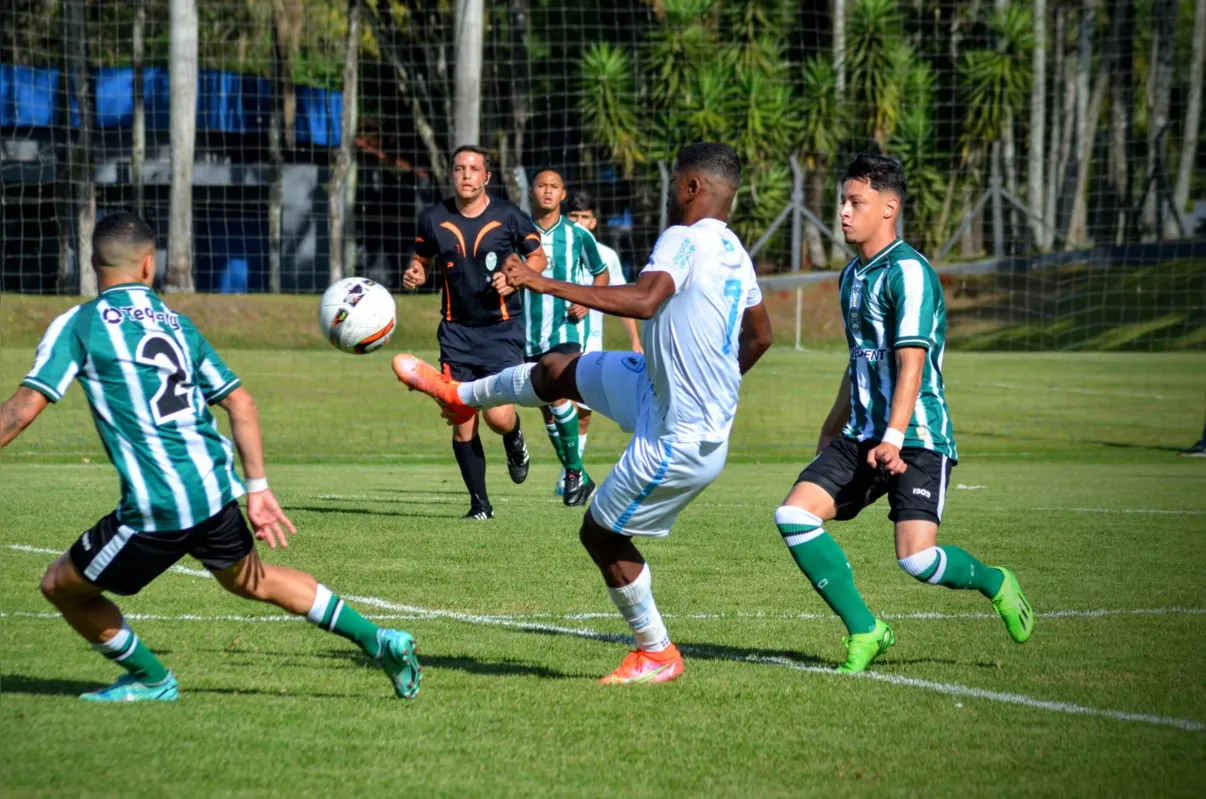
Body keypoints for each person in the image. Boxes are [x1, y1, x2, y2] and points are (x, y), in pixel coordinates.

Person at [0, 213, 421, 702]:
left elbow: (21, 410)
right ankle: (379, 640)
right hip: (215, 488)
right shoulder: (178, 324)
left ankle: (151, 680)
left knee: (61, 586)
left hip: (159, 506)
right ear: (149, 266)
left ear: (95, 263)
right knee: (252, 581)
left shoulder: (80, 324)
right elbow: (239, 401)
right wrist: (258, 490)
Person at [394, 143, 774, 684]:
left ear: (691, 188)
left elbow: (645, 300)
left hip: (679, 434)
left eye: (675, 182)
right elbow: (760, 335)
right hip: (656, 390)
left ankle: (656, 651)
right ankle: (462, 395)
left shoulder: (683, 238)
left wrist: (542, 282)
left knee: (600, 534)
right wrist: (714, 384)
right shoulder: (734, 248)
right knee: (557, 369)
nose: (671, 193)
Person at [773, 154, 1034, 674]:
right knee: (795, 516)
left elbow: (910, 363)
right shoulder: (851, 276)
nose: (843, 212)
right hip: (860, 434)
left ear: (888, 208)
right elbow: (860, 361)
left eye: (856, 202)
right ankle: (866, 630)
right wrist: (832, 424)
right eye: (842, 202)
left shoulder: (910, 273)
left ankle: (996, 581)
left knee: (917, 560)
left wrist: (893, 436)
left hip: (915, 435)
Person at [402, 145, 548, 520]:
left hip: (501, 331)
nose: (466, 175)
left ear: (487, 177)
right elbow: (421, 258)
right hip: (455, 333)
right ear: (451, 175)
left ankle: (514, 439)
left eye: (474, 169)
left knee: (498, 417)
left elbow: (538, 257)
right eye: (459, 169)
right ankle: (480, 505)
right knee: (461, 418)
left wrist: (516, 280)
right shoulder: (433, 218)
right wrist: (416, 272)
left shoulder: (508, 216)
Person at [526, 169, 611, 506]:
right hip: (526, 332)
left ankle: (573, 473)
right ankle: (580, 476)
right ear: (532, 191)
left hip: (566, 331)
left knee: (560, 395)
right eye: (542, 186)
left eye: (554, 187)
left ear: (562, 195)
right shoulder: (516, 231)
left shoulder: (578, 235)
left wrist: (585, 301)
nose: (547, 192)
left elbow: (600, 275)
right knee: (547, 408)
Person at [553, 190, 643, 497]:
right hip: (558, 339)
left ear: (594, 221)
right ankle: (571, 470)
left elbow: (620, 300)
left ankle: (569, 473)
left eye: (584, 217)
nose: (578, 222)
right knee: (556, 404)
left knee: (584, 411)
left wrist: (634, 340)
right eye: (573, 217)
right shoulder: (555, 248)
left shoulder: (606, 256)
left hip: (591, 343)